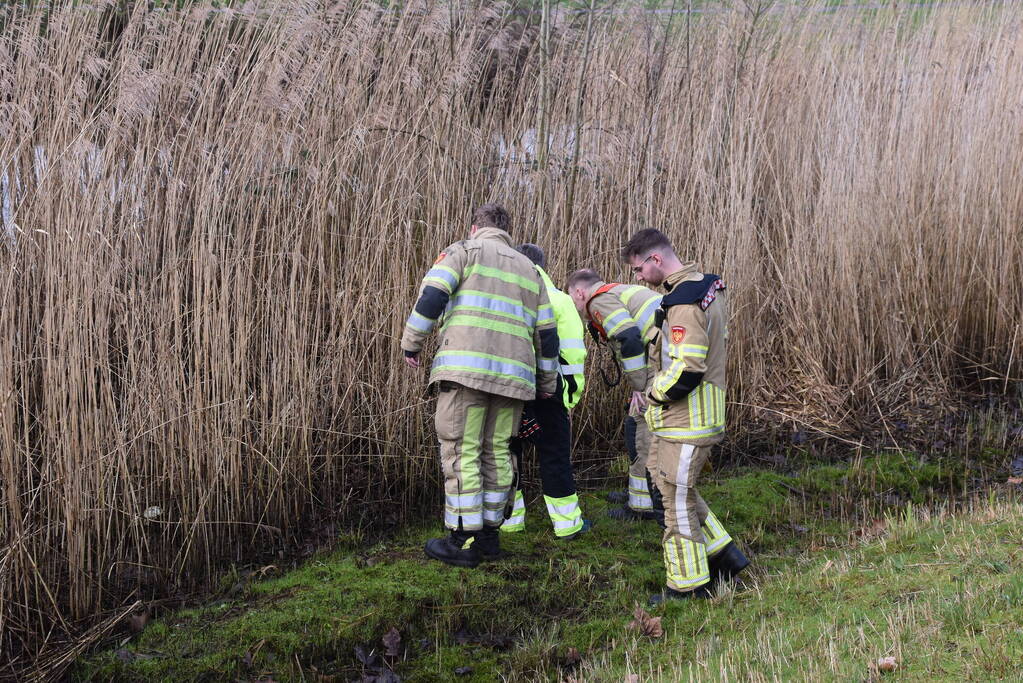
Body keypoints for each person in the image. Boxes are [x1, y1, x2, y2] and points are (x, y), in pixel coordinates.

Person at [401, 204, 560, 568]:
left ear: (475, 227)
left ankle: (462, 539)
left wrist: (412, 342)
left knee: (461, 450)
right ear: (508, 231)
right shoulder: (529, 269)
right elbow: (547, 334)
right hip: (514, 381)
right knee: (497, 452)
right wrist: (547, 381)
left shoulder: (464, 251)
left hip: (466, 373)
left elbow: (432, 296)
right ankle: (489, 536)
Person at [620, 228, 749, 604]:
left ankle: (687, 585)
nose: (639, 279)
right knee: (676, 489)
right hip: (684, 421)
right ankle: (725, 557)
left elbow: (688, 368)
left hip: (687, 421)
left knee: (676, 504)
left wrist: (652, 393)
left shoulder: (684, 302)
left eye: (639, 270)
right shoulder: (702, 288)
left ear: (655, 259)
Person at [500, 244, 590, 540]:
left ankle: (510, 522)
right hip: (552, 391)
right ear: (543, 265)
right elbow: (575, 355)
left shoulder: (506, 296)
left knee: (508, 454)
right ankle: (567, 526)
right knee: (554, 456)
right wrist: (569, 397)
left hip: (512, 389)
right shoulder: (562, 301)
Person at [565, 268, 663, 521]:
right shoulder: (616, 292)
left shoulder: (599, 299)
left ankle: (643, 507)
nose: (575, 306)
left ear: (580, 292)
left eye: (573, 299)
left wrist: (638, 386)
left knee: (642, 432)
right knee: (635, 424)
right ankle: (638, 493)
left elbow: (629, 337)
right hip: (661, 357)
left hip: (660, 362)